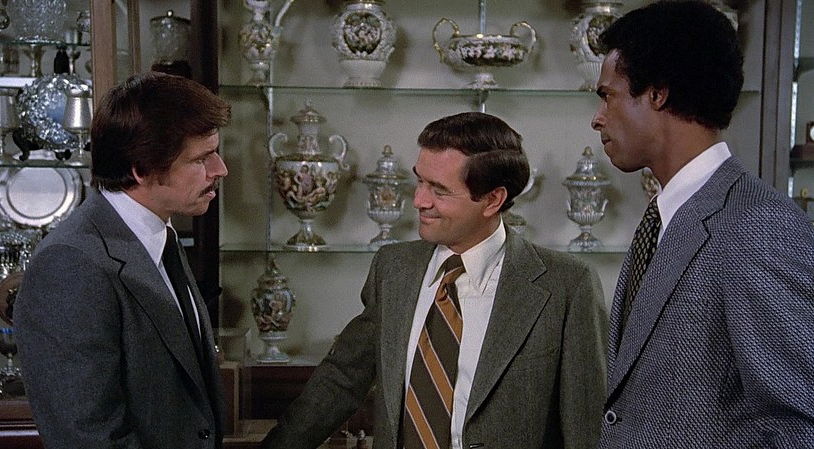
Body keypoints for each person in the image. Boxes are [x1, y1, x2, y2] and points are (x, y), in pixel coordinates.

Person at [261, 111, 609, 449]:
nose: (418, 201)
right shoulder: (393, 270)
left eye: (439, 190)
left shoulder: (566, 286)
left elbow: (587, 429)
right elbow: (342, 379)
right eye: (420, 181)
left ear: (493, 200)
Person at [591, 2, 814, 447]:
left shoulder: (757, 225)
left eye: (607, 95)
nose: (597, 117)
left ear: (657, 94)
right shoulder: (665, 217)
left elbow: (797, 424)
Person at [16, 72, 231, 449]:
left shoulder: (161, 237)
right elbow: (88, 437)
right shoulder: (71, 265)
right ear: (140, 169)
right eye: (201, 159)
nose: (220, 170)